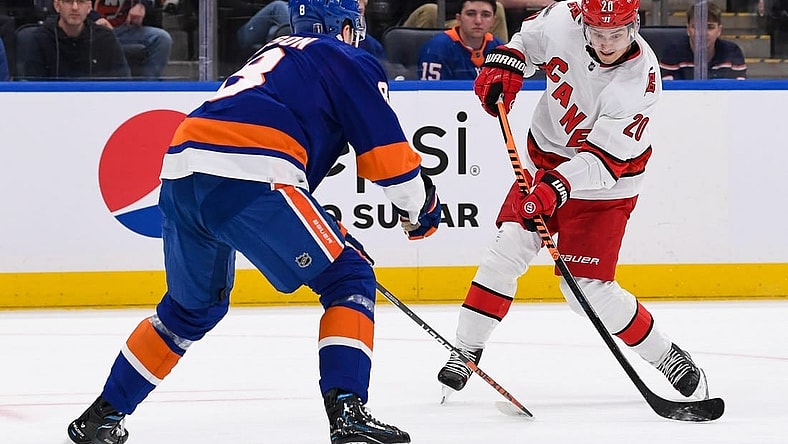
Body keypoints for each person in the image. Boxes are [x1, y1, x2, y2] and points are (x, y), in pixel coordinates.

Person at [65, 0, 441, 443]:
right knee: (349, 276)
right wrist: (420, 209)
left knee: (190, 311)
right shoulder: (347, 57)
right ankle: (348, 414)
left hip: (181, 173)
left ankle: (101, 416)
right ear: (344, 25)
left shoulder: (274, 54)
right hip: (252, 171)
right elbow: (389, 160)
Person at [436, 0, 712, 405]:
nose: (605, 43)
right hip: (544, 157)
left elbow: (603, 162)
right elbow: (527, 43)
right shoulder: (565, 15)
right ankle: (465, 349)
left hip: (604, 187)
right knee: (505, 252)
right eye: (597, 33)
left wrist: (553, 189)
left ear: (634, 25)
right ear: (583, 22)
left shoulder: (641, 82)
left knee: (587, 292)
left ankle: (667, 356)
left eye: (615, 34)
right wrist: (505, 64)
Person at [17, 0, 130, 80]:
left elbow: (123, 82)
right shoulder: (40, 38)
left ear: (89, 7)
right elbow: (33, 87)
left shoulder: (105, 38)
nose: (75, 7)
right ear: (57, 6)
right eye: (68, 1)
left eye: (81, 2)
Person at [417, 0, 503, 80]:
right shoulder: (436, 49)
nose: (478, 21)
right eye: (470, 14)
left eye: (485, 15)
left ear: (493, 21)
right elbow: (431, 93)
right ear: (458, 18)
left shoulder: (499, 49)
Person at [660, 3, 747, 80]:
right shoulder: (672, 52)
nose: (703, 33)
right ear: (688, 29)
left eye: (710, 27)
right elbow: (666, 91)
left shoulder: (733, 52)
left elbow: (739, 90)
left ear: (719, 30)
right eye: (697, 27)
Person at [92, 0, 173, 79]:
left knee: (161, 38)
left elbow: (153, 4)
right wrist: (96, 18)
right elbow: (81, 4)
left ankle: (147, 87)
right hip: (93, 30)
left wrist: (141, 5)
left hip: (125, 29)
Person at [404, 0, 509, 42]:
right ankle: (424, 59)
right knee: (431, 10)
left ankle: (502, 58)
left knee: (497, 8)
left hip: (459, 17)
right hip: (422, 16)